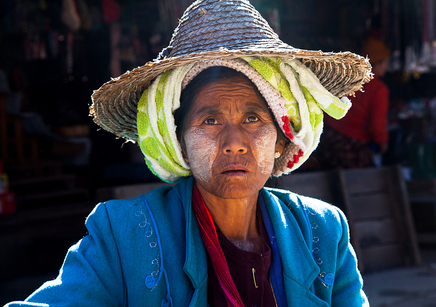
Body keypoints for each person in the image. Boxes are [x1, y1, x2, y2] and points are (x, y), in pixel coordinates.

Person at [4, 0, 373, 306]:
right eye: (210, 120)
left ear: (282, 138)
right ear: (176, 140)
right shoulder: (122, 235)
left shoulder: (324, 231)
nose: (234, 141)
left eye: (252, 117)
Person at [313, 36, 390, 169]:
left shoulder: (346, 77)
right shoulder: (378, 89)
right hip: (353, 146)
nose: (387, 66)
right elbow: (377, 125)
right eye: (385, 62)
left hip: (328, 139)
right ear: (377, 63)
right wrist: (382, 143)